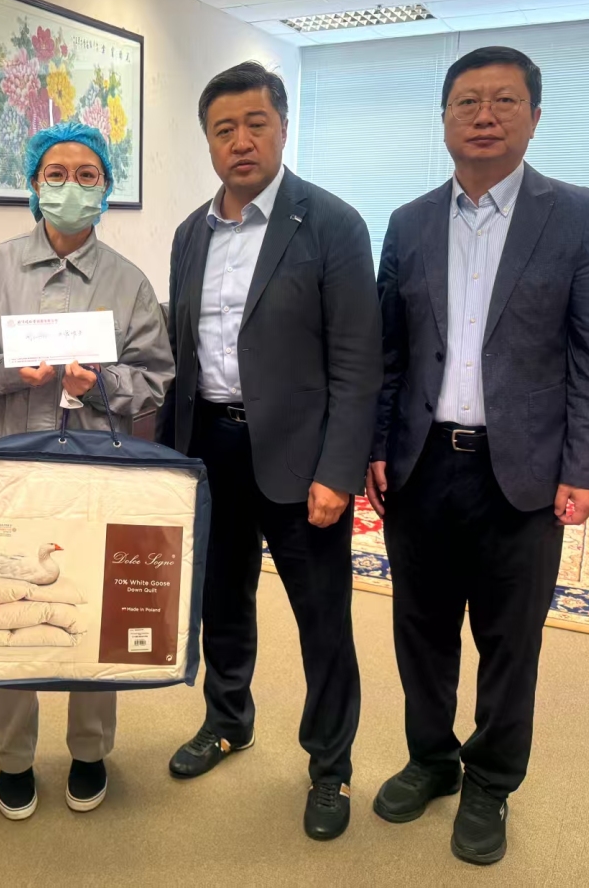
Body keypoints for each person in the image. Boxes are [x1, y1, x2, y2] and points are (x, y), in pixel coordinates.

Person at [365, 46, 589, 865]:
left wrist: (585, 465)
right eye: (467, 101)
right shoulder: (408, 222)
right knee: (421, 629)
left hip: (524, 471)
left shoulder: (577, 215)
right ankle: (432, 760)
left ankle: (490, 782)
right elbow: (390, 352)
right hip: (421, 466)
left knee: (510, 641)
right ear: (443, 119)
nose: (484, 115)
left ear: (534, 117)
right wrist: (376, 444)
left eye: (504, 101)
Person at [160, 62, 382, 841]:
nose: (241, 141)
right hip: (210, 448)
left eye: (256, 123)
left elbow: (357, 362)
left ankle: (331, 765)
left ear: (283, 126)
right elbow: (181, 354)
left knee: (322, 621)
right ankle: (228, 720)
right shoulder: (190, 233)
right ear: (208, 142)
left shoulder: (332, 224)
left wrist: (338, 471)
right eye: (224, 129)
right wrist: (173, 460)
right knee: (221, 603)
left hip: (300, 458)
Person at [0, 120, 174, 821]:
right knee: (9, 613)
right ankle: (13, 759)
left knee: (94, 608)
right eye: (56, 175)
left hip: (98, 472)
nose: (71, 187)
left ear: (107, 189)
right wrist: (13, 370)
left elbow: (154, 379)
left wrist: (99, 384)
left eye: (87, 176)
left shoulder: (128, 283)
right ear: (35, 186)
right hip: (9, 470)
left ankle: (91, 749)